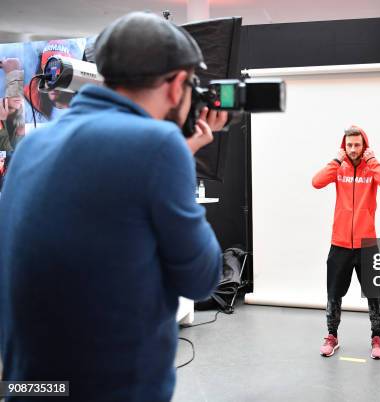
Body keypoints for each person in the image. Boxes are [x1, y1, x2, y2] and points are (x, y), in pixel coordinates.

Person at [0, 12, 227, 402]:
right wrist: (179, 155)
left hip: (29, 387)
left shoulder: (34, 146)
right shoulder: (158, 145)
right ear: (175, 85)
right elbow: (202, 278)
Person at [312, 125, 380, 359]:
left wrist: (374, 161)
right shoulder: (339, 167)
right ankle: (332, 336)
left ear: (364, 145)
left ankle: (376, 338)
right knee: (333, 293)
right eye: (349, 145)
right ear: (344, 146)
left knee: (373, 293)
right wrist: (335, 160)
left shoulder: (371, 168)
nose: (353, 149)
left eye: (357, 145)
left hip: (367, 243)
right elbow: (316, 182)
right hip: (340, 243)